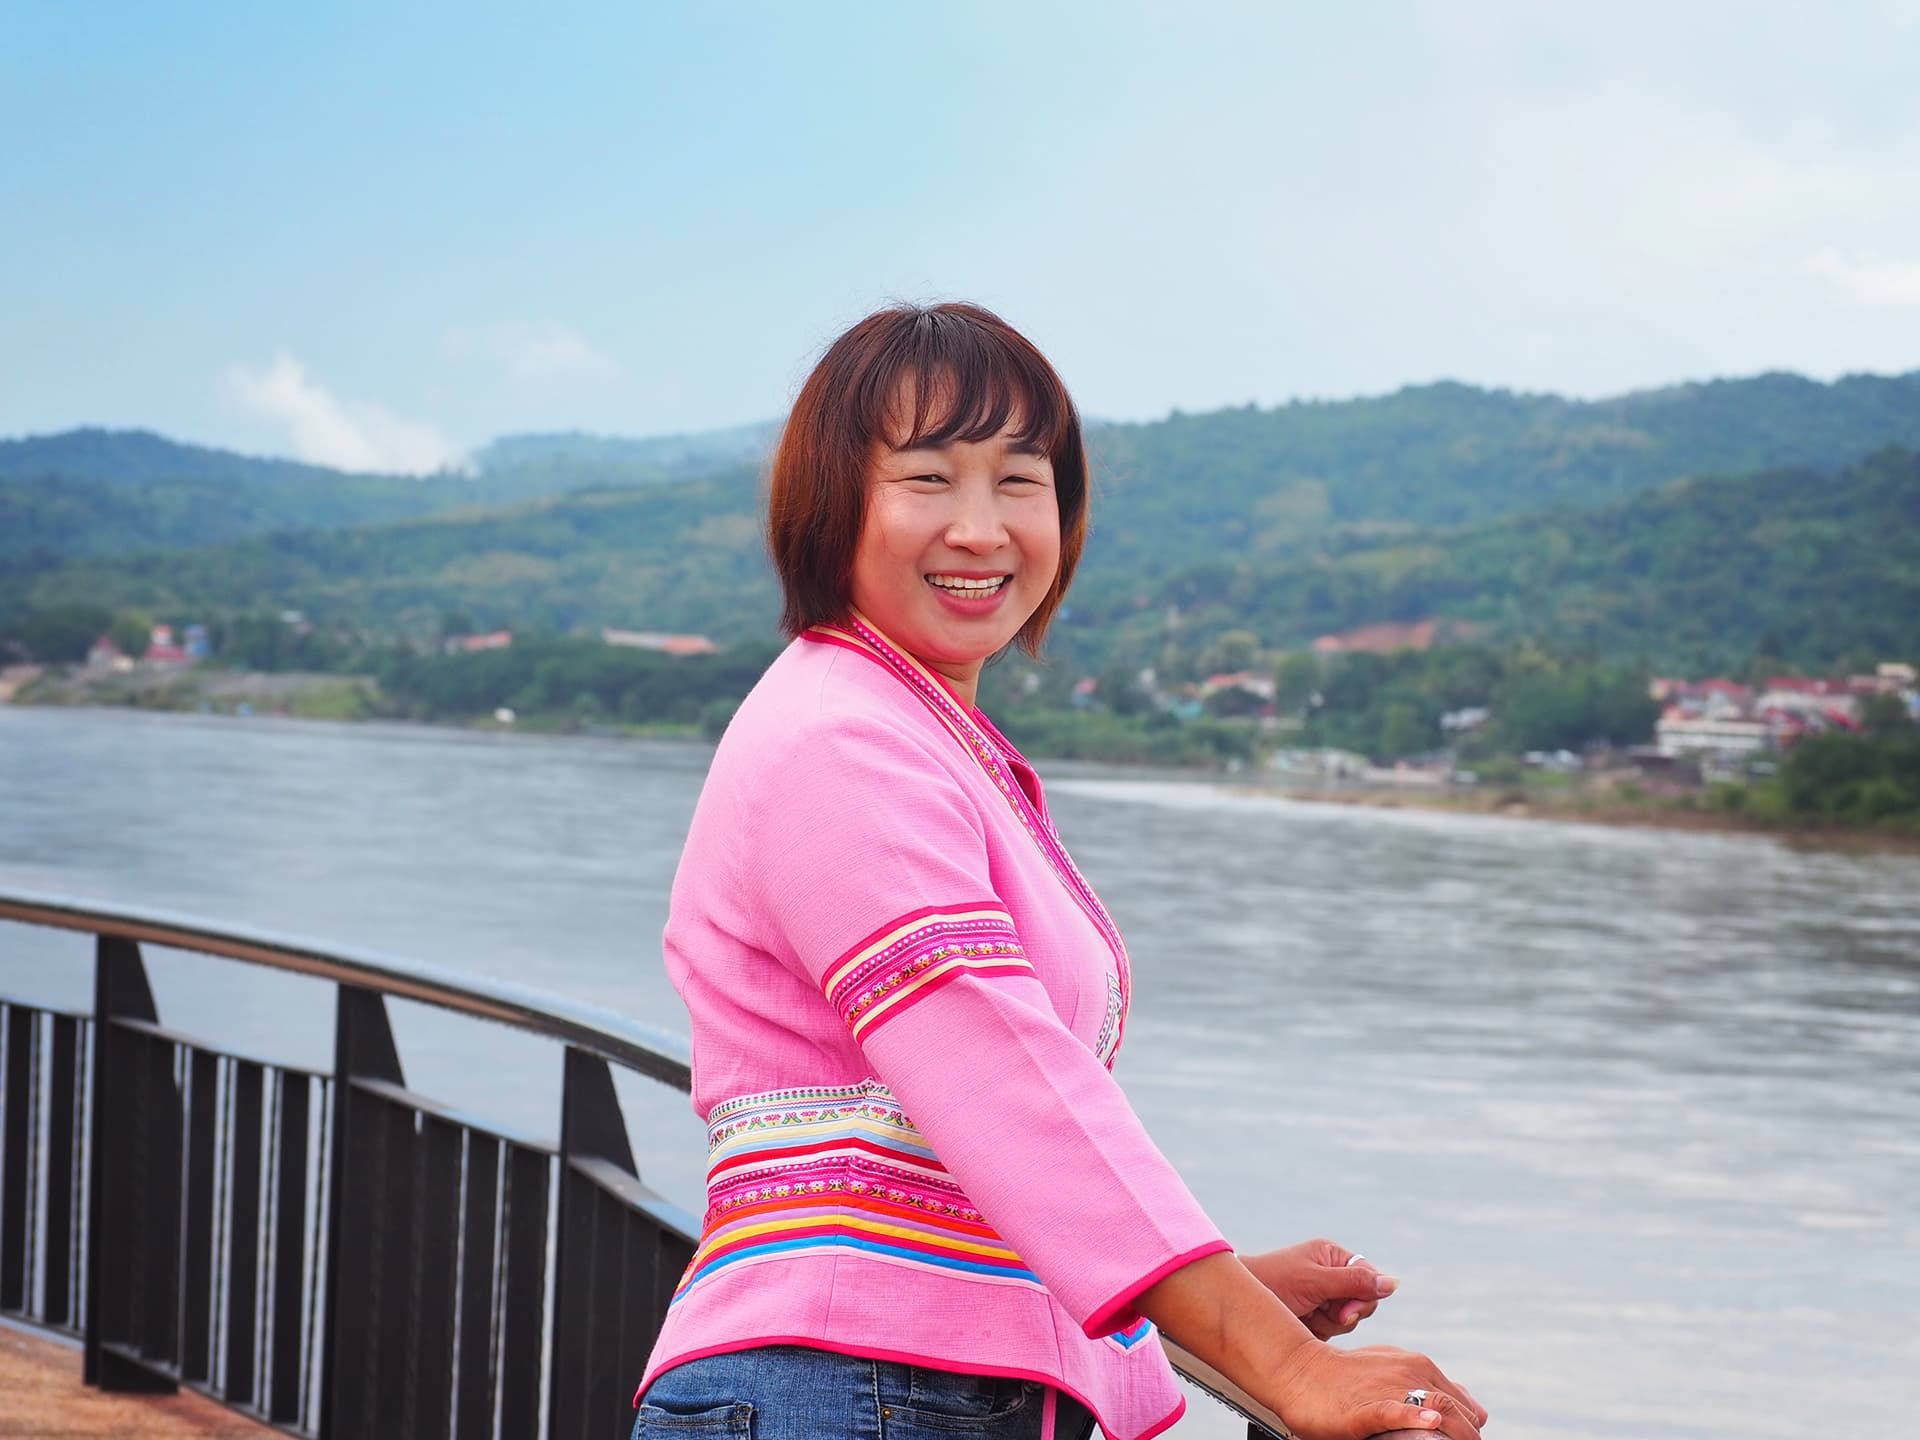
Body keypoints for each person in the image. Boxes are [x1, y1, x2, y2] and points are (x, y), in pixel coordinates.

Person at [632, 303, 1487, 1440]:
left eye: (1020, 481)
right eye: (928, 479)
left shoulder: (915, 732)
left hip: (891, 1389)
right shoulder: (842, 741)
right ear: (832, 501)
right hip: (849, 1395)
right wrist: (1286, 1367)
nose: (981, 529)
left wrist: (1205, 1297)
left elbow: (956, 1153)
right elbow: (1011, 1086)